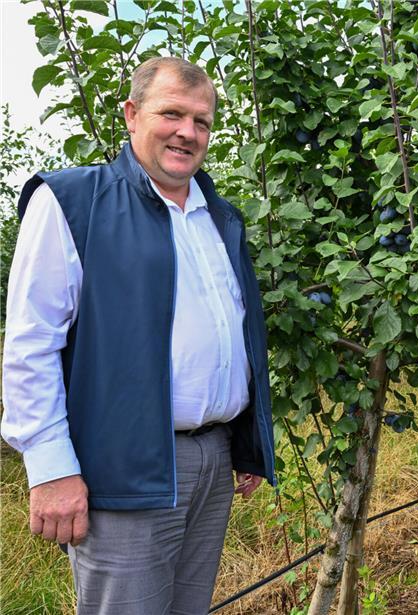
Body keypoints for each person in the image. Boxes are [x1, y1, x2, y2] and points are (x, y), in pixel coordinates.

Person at [1, 57, 276, 615]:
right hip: (125, 468)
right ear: (131, 115)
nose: (187, 132)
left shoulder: (219, 218)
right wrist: (51, 468)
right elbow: (32, 343)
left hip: (212, 458)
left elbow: (235, 336)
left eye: (201, 121)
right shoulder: (74, 202)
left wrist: (248, 444)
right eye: (171, 114)